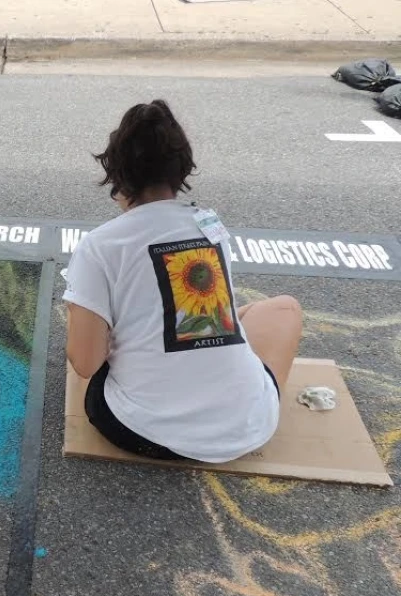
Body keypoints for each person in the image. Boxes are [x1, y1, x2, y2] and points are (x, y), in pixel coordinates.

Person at [64, 100, 303, 464]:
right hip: (248, 427)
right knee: (285, 309)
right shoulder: (209, 226)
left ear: (118, 177)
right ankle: (232, 397)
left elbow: (85, 363)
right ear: (180, 171)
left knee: (90, 326)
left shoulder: (100, 245)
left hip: (140, 430)